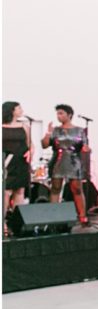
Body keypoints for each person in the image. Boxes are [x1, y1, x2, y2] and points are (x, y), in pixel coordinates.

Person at [42, 104, 89, 226]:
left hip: (74, 161)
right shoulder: (56, 130)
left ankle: (83, 216)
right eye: (57, 113)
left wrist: (86, 149)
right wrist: (48, 133)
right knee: (56, 188)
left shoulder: (79, 130)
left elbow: (86, 146)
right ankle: (53, 217)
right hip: (58, 160)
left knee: (77, 189)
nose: (59, 116)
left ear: (70, 115)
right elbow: (44, 145)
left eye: (61, 113)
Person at [3, 101, 32, 235]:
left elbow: (30, 144)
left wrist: (30, 152)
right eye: (18, 108)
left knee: (19, 192)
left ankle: (16, 223)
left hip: (21, 162)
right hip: (6, 162)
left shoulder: (24, 126)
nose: (21, 110)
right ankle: (2, 222)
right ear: (11, 110)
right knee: (6, 192)